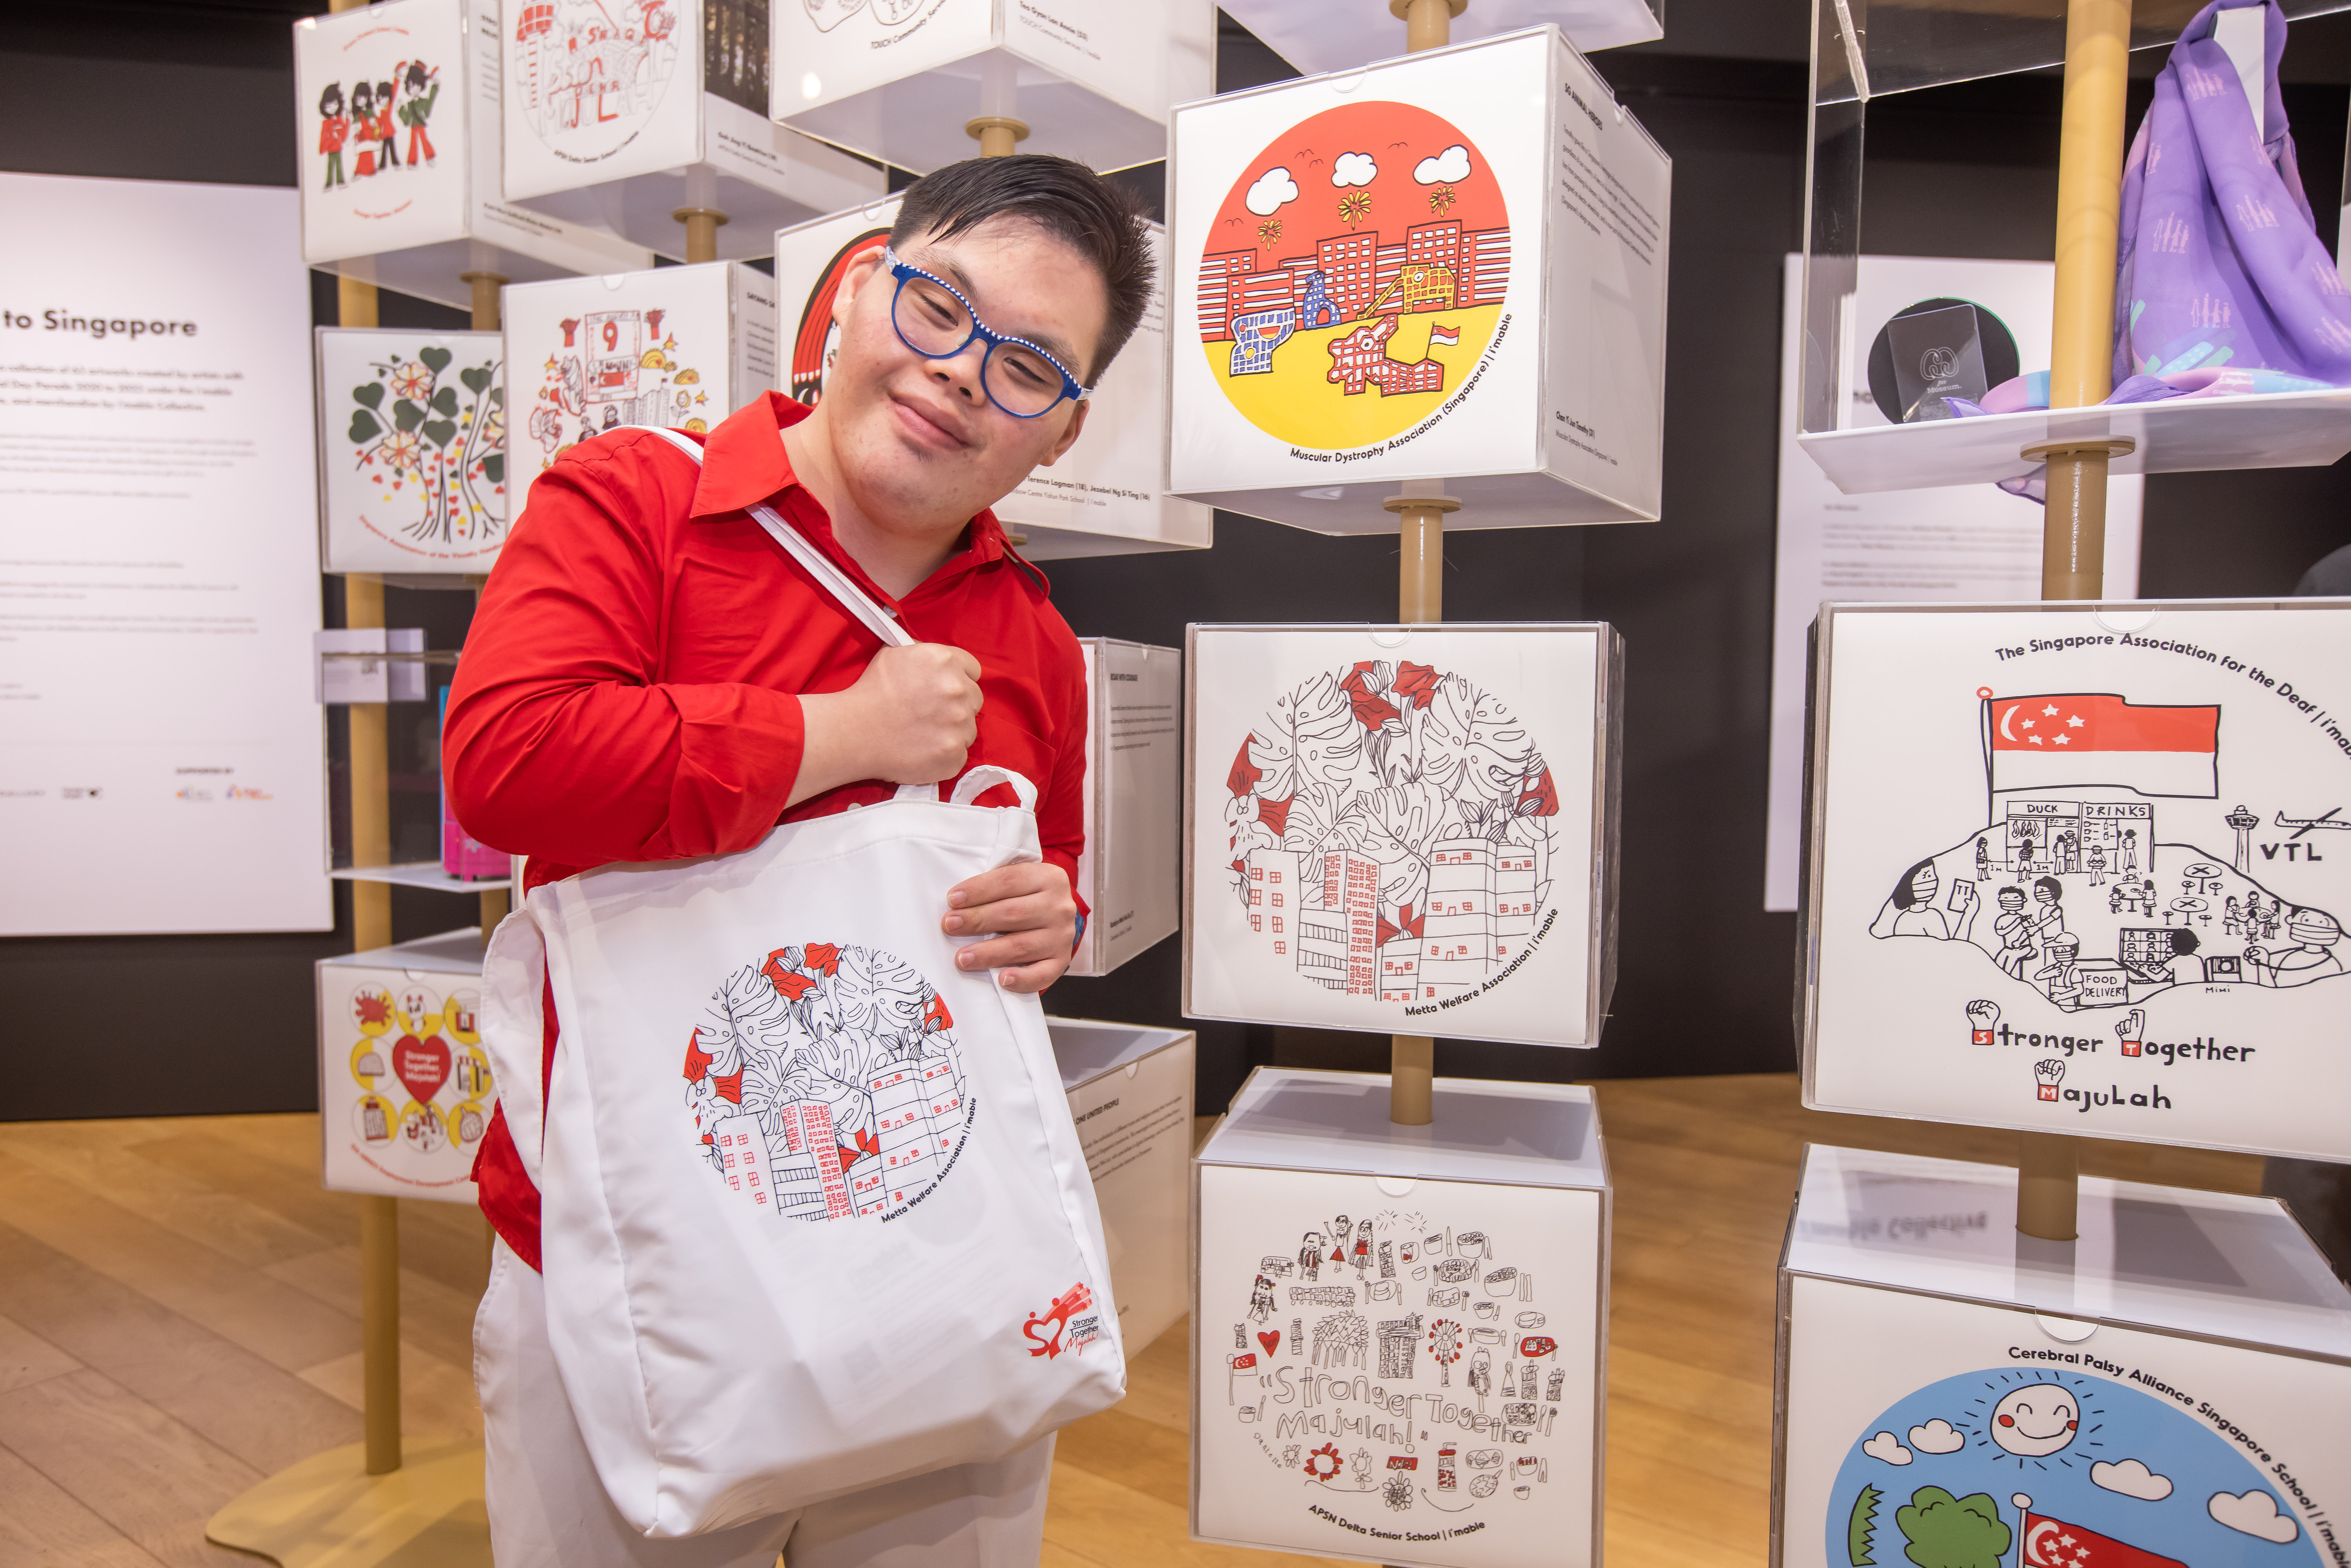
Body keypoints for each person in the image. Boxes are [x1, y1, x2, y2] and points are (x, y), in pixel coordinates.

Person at [444, 156, 1156, 1568]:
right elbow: (507, 761)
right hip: (630, 1251)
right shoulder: (634, 504)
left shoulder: (1034, 638)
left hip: (934, 1259)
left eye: (1026, 368)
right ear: (853, 296)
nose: (962, 374)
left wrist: (1049, 910)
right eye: (939, 307)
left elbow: (1048, 859)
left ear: (1062, 431)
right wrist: (837, 732)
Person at [2247, 907, 2347, 987]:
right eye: (2306, 920)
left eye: (2322, 922)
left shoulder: (2329, 964)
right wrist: (2261, 961)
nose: (2315, 927)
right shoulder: (2292, 957)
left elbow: (2275, 990)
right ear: (2290, 920)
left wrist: (2263, 963)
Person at [1870, 857, 1964, 938]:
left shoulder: (1903, 918)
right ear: (1909, 885)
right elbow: (1945, 946)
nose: (1935, 880)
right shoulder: (1932, 916)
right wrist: (1968, 916)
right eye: (1927, 876)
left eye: (1933, 874)